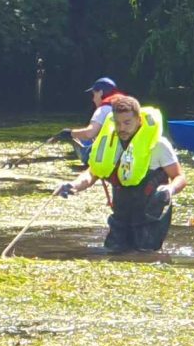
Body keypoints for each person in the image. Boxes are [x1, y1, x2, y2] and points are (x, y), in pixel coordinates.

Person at [59, 92, 184, 252]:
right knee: (112, 252)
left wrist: (170, 189)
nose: (121, 128)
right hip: (121, 215)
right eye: (117, 123)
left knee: (146, 255)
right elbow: (92, 173)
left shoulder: (158, 145)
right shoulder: (110, 144)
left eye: (127, 123)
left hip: (151, 216)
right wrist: (72, 185)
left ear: (139, 120)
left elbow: (179, 177)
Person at [66, 77, 123, 159]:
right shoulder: (129, 105)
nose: (93, 99)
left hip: (108, 157)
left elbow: (89, 133)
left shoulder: (103, 109)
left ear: (100, 92)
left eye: (94, 94)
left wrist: (70, 133)